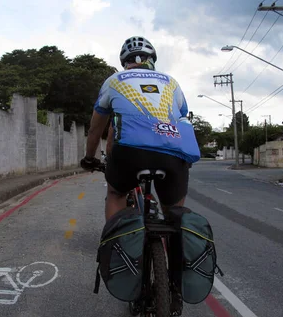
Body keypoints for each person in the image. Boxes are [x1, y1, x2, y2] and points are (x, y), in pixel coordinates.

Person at [80, 36, 200, 221]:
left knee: (116, 193)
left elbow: (96, 128)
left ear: (125, 63)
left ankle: (115, 243)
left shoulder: (114, 80)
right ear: (151, 59)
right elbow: (183, 118)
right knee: (174, 213)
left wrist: (89, 158)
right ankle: (175, 240)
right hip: (173, 153)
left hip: (129, 153)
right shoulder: (171, 82)